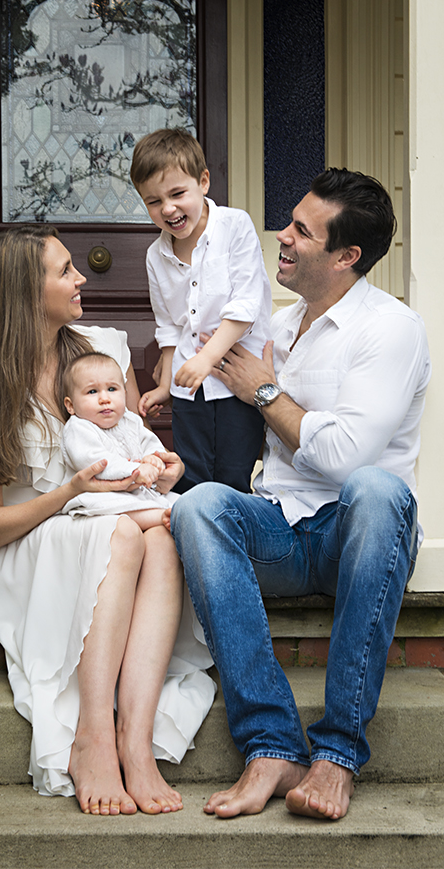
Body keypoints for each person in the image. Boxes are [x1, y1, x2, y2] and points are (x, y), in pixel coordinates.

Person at [170, 169, 429, 821]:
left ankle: (337, 754)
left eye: (301, 232)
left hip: (357, 534)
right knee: (199, 504)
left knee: (376, 489)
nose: (280, 237)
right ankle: (271, 746)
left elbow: (346, 460)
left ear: (346, 257)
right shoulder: (273, 329)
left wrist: (264, 391)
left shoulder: (390, 329)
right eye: (289, 221)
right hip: (282, 527)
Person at [0, 224, 215, 816]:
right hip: (32, 548)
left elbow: (134, 444)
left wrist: (160, 469)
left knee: (163, 538)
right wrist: (70, 490)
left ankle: (134, 743)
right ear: (23, 291)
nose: (81, 278)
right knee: (121, 532)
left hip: (113, 518)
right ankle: (93, 733)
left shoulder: (104, 349)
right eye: (64, 270)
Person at [132, 129, 272, 494]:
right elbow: (168, 326)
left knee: (232, 475)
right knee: (190, 478)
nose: (168, 209)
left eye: (178, 194)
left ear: (203, 182)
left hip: (235, 380)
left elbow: (245, 306)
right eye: (153, 201)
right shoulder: (155, 256)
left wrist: (206, 359)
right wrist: (165, 385)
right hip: (187, 389)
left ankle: (234, 544)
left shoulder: (235, 226)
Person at [57, 350, 175, 529]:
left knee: (181, 501)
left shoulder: (130, 420)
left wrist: (153, 459)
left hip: (136, 492)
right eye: (92, 391)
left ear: (124, 393)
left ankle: (167, 514)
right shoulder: (78, 428)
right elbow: (95, 461)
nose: (105, 398)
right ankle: (161, 517)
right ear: (71, 405)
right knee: (120, 510)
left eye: (112, 389)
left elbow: (150, 443)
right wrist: (136, 469)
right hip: (98, 496)